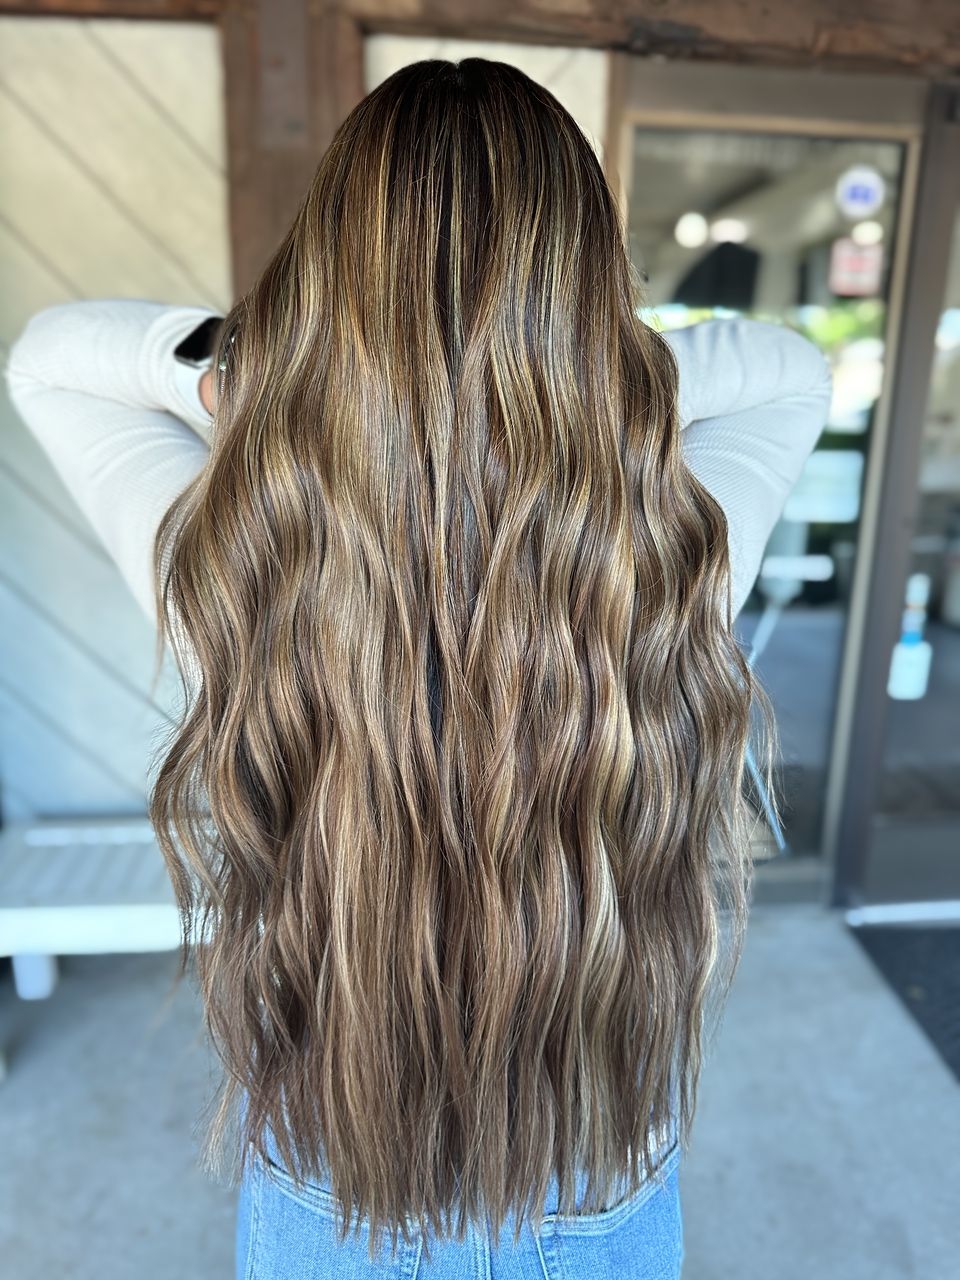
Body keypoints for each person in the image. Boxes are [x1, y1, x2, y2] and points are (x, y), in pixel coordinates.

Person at [4, 56, 831, 1280]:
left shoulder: (239, 563)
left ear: (322, 280)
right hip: (598, 1173)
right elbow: (790, 368)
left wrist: (267, 367)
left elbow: (51, 357)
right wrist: (591, 378)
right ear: (590, 288)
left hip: (328, 1183)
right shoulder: (665, 553)